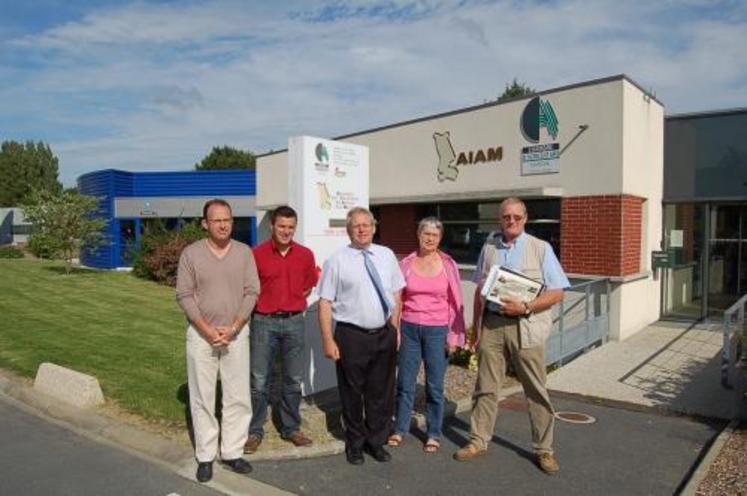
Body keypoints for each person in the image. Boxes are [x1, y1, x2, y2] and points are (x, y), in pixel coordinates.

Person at [453, 197, 569, 475]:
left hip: (525, 325)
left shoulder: (540, 249)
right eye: (506, 217)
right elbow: (481, 289)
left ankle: (544, 450)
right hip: (492, 324)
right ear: (500, 219)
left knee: (536, 389)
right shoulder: (490, 247)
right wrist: (477, 328)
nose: (511, 221)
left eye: (517, 217)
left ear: (525, 218)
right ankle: (478, 440)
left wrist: (526, 306)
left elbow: (557, 292)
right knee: (485, 386)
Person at [176, 199, 260, 483]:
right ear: (205, 223)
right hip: (202, 336)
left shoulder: (244, 252)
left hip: (237, 334)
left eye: (227, 219)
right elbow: (184, 296)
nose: (223, 224)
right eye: (217, 220)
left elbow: (252, 292)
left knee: (238, 395)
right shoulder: (191, 254)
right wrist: (208, 330)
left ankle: (233, 452)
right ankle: (206, 456)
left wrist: (235, 326)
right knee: (202, 397)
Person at [317, 207, 405, 465]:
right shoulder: (337, 261)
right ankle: (355, 443)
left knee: (381, 392)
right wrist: (327, 339)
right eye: (356, 225)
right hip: (351, 336)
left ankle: (376, 441)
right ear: (348, 230)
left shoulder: (386, 255)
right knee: (352, 393)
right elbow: (324, 303)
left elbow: (397, 294)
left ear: (374, 228)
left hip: (383, 335)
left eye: (367, 224)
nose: (362, 229)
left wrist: (395, 328)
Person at [388, 217, 465, 453]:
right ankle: (399, 429)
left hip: (437, 330)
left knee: (434, 387)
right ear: (419, 235)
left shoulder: (448, 265)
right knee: (405, 384)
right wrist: (395, 332)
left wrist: (454, 336)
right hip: (410, 329)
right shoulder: (407, 264)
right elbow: (397, 300)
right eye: (426, 234)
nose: (430, 238)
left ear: (440, 238)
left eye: (434, 235)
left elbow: (456, 302)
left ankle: (433, 433)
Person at [245, 206, 318, 454]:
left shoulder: (305, 255)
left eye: (290, 227)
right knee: (259, 380)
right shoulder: (256, 254)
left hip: (295, 321)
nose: (286, 231)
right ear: (271, 227)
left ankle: (290, 428)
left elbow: (308, 285)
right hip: (263, 321)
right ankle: (255, 430)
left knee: (293, 379)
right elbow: (249, 287)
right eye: (281, 226)